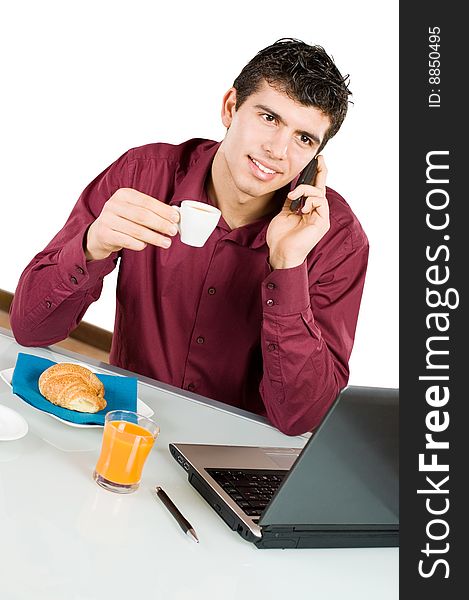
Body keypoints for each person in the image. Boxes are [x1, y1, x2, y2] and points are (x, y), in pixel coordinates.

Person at [10, 38, 368, 436]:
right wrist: (91, 245)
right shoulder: (143, 175)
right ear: (231, 107)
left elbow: (301, 418)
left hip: (239, 451)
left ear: (316, 154)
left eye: (304, 138)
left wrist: (288, 266)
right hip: (124, 424)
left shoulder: (336, 239)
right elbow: (30, 329)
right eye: (269, 118)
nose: (277, 151)